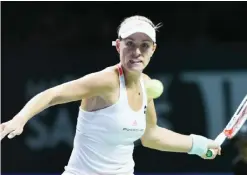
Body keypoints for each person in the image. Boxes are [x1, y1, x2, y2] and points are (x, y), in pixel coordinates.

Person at [0, 15, 221, 175]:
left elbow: (151, 135)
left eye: (144, 46)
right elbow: (53, 94)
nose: (136, 52)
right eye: (129, 44)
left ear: (153, 49)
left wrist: (199, 146)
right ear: (118, 46)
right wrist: (20, 118)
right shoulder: (106, 81)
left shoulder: (145, 85)